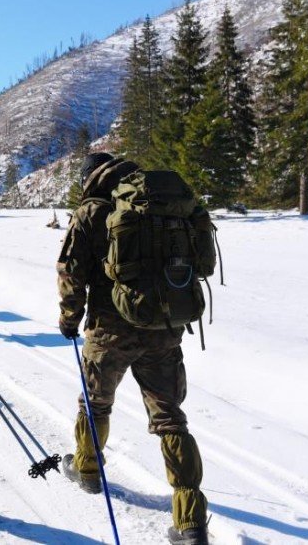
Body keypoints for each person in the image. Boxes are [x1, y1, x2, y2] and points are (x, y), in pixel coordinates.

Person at [57, 153, 209, 545]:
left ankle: (88, 469)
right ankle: (190, 518)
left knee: (95, 403)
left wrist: (69, 318)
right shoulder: (158, 205)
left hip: (109, 331)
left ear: (90, 176)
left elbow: (70, 271)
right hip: (164, 327)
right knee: (170, 418)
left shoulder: (92, 210)